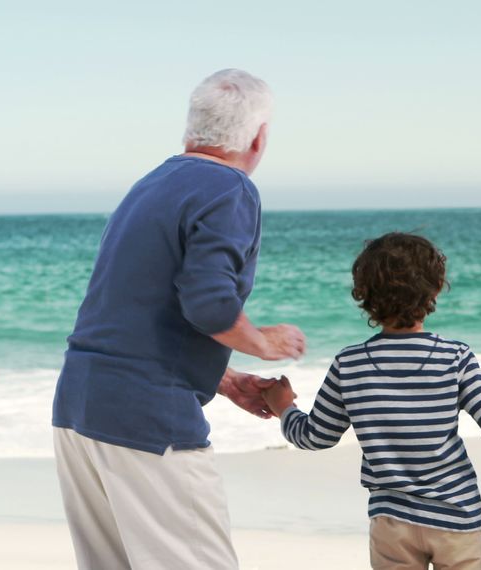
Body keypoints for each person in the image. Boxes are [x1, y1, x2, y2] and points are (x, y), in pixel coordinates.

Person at [50, 69, 306, 570]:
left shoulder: (149, 185)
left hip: (79, 407)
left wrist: (223, 378)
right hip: (147, 421)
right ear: (259, 137)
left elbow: (132, 310)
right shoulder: (230, 188)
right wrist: (261, 341)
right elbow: (207, 302)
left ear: (193, 128)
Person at [262, 232, 481, 570]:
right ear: (435, 288)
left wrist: (283, 407)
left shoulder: (350, 363)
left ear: (363, 294)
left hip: (391, 523)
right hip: (456, 518)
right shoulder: (453, 358)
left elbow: (316, 436)